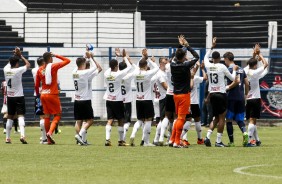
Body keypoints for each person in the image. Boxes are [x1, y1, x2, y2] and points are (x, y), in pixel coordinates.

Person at [203, 37, 237, 147]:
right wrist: (235, 71)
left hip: (212, 94)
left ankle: (207, 137)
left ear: (212, 58)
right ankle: (218, 141)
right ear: (219, 58)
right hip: (221, 94)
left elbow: (205, 57)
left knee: (216, 118)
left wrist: (211, 47)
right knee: (222, 118)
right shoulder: (222, 66)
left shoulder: (208, 66)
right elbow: (232, 78)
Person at [168, 35, 199, 148]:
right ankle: (177, 141)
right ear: (184, 56)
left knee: (177, 118)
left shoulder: (172, 64)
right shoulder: (186, 65)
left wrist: (180, 46)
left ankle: (172, 139)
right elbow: (196, 56)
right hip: (184, 95)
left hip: (175, 94)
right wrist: (187, 45)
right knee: (182, 118)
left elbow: (172, 57)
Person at [35, 52, 71, 144]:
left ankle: (48, 140)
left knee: (46, 116)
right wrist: (57, 55)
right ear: (50, 58)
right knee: (57, 115)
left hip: (43, 95)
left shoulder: (39, 70)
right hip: (52, 95)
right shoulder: (54, 66)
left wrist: (38, 96)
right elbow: (68, 60)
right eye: (52, 57)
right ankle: (50, 133)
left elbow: (36, 85)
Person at [129, 49, 159, 147]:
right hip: (147, 100)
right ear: (146, 66)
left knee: (139, 120)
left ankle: (133, 134)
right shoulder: (147, 74)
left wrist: (143, 57)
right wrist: (150, 59)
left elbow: (138, 66)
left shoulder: (135, 73)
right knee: (148, 120)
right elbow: (157, 68)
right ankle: (146, 142)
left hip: (138, 99)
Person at [72, 51, 102, 146]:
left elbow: (80, 64)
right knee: (90, 120)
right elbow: (96, 67)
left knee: (79, 121)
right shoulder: (85, 73)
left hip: (77, 100)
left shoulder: (74, 72)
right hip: (85, 100)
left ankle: (80, 140)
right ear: (83, 64)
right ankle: (80, 136)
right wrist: (91, 57)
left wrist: (85, 56)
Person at [103, 49, 132, 146]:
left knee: (110, 120)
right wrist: (124, 57)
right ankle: (120, 141)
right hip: (117, 100)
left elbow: (112, 66)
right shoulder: (118, 75)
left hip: (108, 99)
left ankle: (107, 139)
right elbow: (130, 67)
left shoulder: (106, 73)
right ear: (116, 66)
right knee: (121, 119)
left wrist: (116, 57)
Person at [4, 47, 30, 144]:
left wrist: (15, 55)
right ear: (17, 63)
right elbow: (28, 64)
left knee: (10, 116)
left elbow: (10, 63)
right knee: (20, 116)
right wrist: (21, 56)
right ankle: (22, 135)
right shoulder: (18, 70)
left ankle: (7, 138)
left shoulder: (6, 70)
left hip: (9, 97)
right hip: (19, 96)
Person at [244, 44, 268, 147]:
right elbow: (265, 64)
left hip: (248, 99)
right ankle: (249, 141)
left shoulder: (246, 71)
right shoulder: (255, 73)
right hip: (255, 98)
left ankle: (257, 140)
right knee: (253, 120)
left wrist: (254, 55)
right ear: (255, 65)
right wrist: (260, 54)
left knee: (252, 120)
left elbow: (251, 63)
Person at [223, 51, 249, 147]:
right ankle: (245, 133)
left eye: (224, 60)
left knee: (229, 120)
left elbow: (233, 82)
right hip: (241, 97)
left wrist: (227, 88)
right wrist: (246, 94)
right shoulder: (242, 69)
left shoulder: (228, 70)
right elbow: (247, 83)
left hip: (231, 97)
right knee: (240, 119)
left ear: (226, 59)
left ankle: (231, 142)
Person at [180, 61, 207, 146]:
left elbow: (193, 72)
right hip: (194, 102)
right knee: (196, 120)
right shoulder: (194, 78)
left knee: (186, 120)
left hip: (185, 102)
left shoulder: (183, 78)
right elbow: (205, 78)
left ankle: (184, 139)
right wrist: (202, 69)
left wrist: (197, 67)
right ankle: (198, 139)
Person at [115, 48, 136, 142]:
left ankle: (121, 138)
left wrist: (118, 56)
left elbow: (117, 67)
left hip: (119, 100)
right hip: (127, 100)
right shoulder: (128, 76)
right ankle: (123, 138)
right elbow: (134, 69)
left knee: (120, 120)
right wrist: (127, 58)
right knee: (127, 121)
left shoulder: (116, 75)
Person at [158, 55, 176, 146]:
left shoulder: (167, 68)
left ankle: (162, 137)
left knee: (167, 117)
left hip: (168, 94)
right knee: (174, 117)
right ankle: (170, 138)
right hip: (175, 94)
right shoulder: (178, 67)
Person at [151, 57, 168, 145]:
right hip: (163, 97)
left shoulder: (163, 72)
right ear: (161, 63)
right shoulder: (160, 74)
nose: (167, 64)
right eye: (165, 62)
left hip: (159, 98)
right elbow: (165, 86)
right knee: (165, 119)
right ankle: (159, 138)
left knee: (162, 119)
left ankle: (158, 139)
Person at [32, 57, 48, 144]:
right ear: (43, 62)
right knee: (45, 116)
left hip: (37, 94)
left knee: (41, 116)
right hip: (46, 93)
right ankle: (45, 138)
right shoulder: (46, 70)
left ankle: (43, 137)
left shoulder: (34, 70)